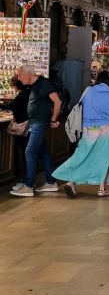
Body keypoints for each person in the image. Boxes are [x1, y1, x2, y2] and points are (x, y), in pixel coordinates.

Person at [53, 70, 109, 198]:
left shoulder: (88, 91)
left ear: (98, 79)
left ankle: (71, 182)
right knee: (103, 159)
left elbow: (80, 108)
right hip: (105, 131)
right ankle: (101, 189)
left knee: (82, 156)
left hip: (88, 129)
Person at [10, 63, 62, 198]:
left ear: (28, 74)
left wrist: (53, 120)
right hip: (34, 122)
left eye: (20, 75)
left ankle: (28, 186)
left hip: (39, 123)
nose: (19, 78)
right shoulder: (32, 85)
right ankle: (51, 182)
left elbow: (58, 102)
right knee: (43, 152)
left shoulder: (44, 83)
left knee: (30, 151)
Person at [3, 76, 31, 192]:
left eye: (13, 85)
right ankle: (27, 179)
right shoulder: (27, 92)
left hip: (23, 126)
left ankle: (27, 181)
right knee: (26, 153)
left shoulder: (22, 94)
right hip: (27, 125)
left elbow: (11, 105)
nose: (12, 87)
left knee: (26, 153)